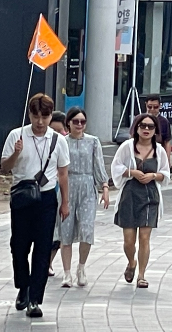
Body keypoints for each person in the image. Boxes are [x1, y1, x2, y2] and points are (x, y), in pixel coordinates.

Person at [1, 93, 70, 318]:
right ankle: (23, 286)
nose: (40, 122)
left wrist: (65, 202)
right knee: (19, 246)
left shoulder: (58, 139)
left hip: (47, 198)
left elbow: (62, 172)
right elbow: (4, 167)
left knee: (43, 248)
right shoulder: (16, 135)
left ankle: (35, 299)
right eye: (36, 116)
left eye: (45, 116)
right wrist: (16, 153)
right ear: (29, 114)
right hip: (22, 196)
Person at [112, 114, 170, 289]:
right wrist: (132, 172)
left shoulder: (159, 150)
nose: (146, 129)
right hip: (129, 195)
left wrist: (153, 175)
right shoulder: (126, 147)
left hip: (150, 195)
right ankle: (131, 262)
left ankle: (142, 275)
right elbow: (116, 167)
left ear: (155, 131)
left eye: (150, 127)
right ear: (136, 128)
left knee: (144, 237)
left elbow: (165, 174)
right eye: (143, 126)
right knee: (129, 240)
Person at [58, 107, 110, 288]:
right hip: (68, 185)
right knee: (66, 230)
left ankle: (81, 267)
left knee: (86, 230)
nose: (79, 125)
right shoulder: (62, 142)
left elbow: (98, 164)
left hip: (87, 185)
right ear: (68, 123)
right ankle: (66, 273)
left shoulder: (93, 142)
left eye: (82, 122)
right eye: (75, 121)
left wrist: (104, 186)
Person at [47, 110, 67, 277]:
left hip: (63, 193)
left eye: (59, 131)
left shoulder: (65, 144)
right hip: (46, 193)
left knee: (59, 232)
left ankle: (49, 262)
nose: (56, 134)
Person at [145, 95, 172, 163]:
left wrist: (168, 160)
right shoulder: (139, 119)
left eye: (155, 107)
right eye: (149, 106)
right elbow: (132, 138)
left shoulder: (164, 122)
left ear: (160, 106)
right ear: (146, 105)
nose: (152, 109)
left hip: (158, 156)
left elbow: (167, 142)